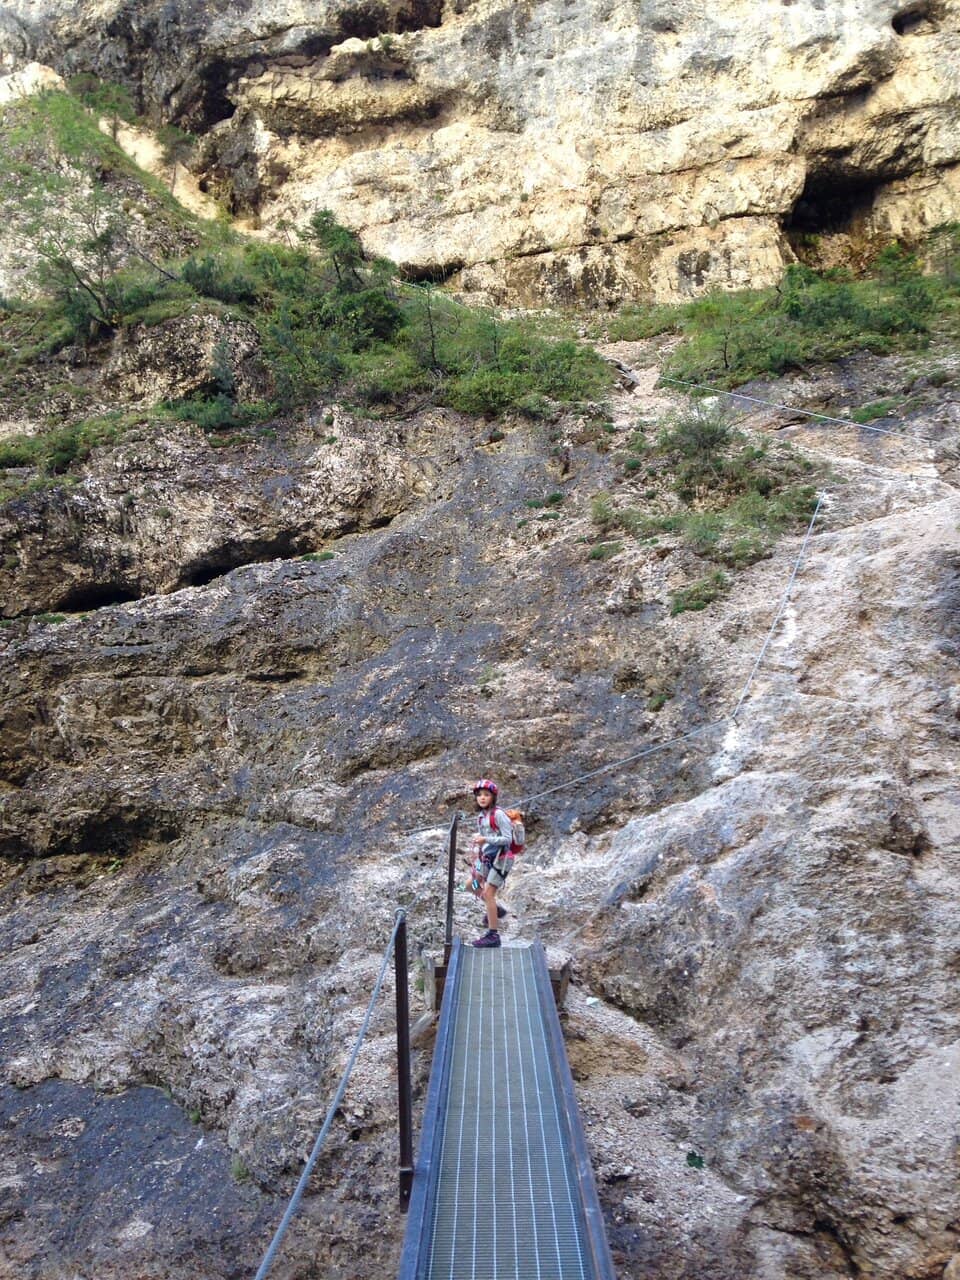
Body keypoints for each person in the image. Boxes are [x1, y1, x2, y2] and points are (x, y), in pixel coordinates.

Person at [470, 778, 514, 949]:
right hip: (487, 858)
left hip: (502, 859)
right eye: (479, 795)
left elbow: (507, 839)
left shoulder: (499, 815)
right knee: (471, 884)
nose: (482, 798)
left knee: (488, 894)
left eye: (486, 795)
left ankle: (493, 935)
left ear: (493, 797)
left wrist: (485, 839)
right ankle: (496, 909)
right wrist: (478, 860)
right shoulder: (481, 817)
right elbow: (484, 842)